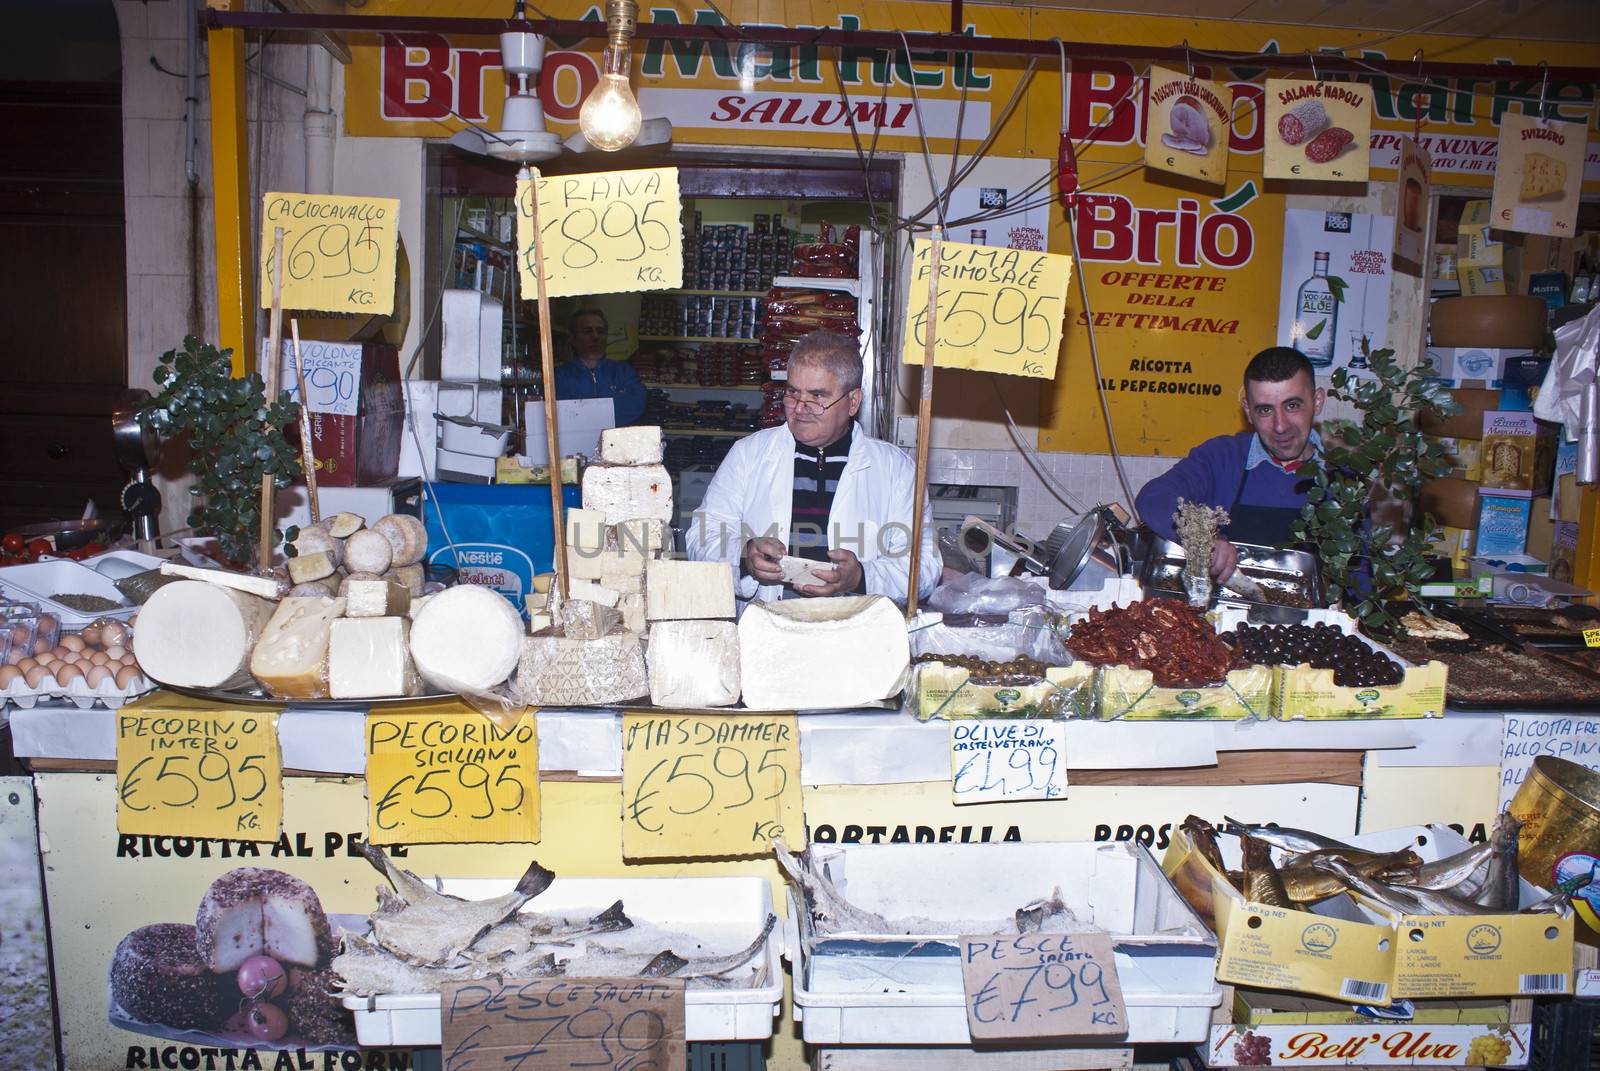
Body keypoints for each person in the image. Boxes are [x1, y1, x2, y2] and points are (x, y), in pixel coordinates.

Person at [686, 329, 940, 607]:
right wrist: (744, 555)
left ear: (853, 401)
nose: (799, 408)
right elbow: (702, 536)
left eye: (817, 396)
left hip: (853, 635)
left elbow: (923, 566)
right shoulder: (749, 454)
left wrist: (860, 577)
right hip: (767, 629)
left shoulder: (895, 469)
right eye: (793, 393)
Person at [1134, 346, 1325, 584]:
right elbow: (1153, 498)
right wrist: (1203, 538)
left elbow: (1359, 585)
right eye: (1265, 410)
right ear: (1248, 411)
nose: (1280, 426)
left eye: (1292, 405)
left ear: (1317, 401)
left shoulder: (1343, 480)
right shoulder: (1223, 457)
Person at [552, 308, 646, 425]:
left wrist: (584, 413)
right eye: (587, 331)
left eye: (600, 331)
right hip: (576, 442)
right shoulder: (559, 376)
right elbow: (561, 415)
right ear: (573, 339)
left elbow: (635, 408)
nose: (595, 337)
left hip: (615, 441)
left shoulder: (624, 372)